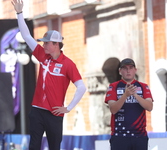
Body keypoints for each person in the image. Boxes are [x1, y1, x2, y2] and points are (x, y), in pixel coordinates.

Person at [11, 0, 87, 150]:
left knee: (54, 147)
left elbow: (81, 87)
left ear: (56, 44)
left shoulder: (68, 64)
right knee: (33, 146)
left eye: (46, 43)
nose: (43, 45)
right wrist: (19, 13)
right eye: (43, 43)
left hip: (55, 113)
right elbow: (26, 36)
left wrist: (69, 107)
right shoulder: (42, 55)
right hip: (37, 110)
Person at [104, 58, 153, 150]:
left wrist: (135, 95)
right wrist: (125, 95)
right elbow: (113, 109)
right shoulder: (113, 86)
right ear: (120, 71)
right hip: (119, 136)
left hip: (139, 136)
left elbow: (149, 107)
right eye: (125, 68)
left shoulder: (143, 86)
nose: (128, 71)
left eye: (130, 68)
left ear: (135, 70)